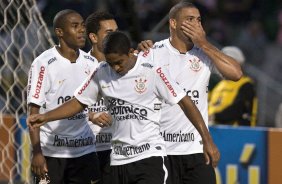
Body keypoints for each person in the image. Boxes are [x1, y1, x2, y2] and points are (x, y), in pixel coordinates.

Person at [27, 31, 220, 184]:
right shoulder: (102, 72)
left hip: (149, 157)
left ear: (130, 52)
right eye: (111, 64)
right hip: (118, 160)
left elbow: (186, 102)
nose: (116, 68)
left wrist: (207, 141)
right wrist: (46, 117)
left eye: (119, 63)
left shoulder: (152, 71)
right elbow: (78, 102)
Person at [138, 1, 242, 184]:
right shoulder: (153, 52)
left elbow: (236, 74)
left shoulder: (204, 53)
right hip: (161, 150)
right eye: (189, 19)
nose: (196, 24)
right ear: (173, 23)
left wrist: (204, 43)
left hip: (197, 150)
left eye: (199, 20)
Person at [26, 9, 101, 184]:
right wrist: (37, 153)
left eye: (83, 26)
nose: (82, 30)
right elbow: (34, 113)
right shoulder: (43, 64)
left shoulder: (92, 63)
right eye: (75, 26)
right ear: (59, 32)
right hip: (52, 153)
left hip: (84, 152)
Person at [85, 11, 117, 184]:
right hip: (87, 149)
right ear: (93, 37)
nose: (115, 37)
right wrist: (91, 115)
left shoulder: (126, 64)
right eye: (109, 33)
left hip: (117, 150)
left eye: (117, 31)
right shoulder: (80, 66)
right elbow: (64, 105)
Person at [209, 46, 257, 126]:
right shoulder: (219, 85)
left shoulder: (246, 85)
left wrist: (215, 117)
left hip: (237, 133)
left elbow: (238, 109)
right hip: (214, 130)